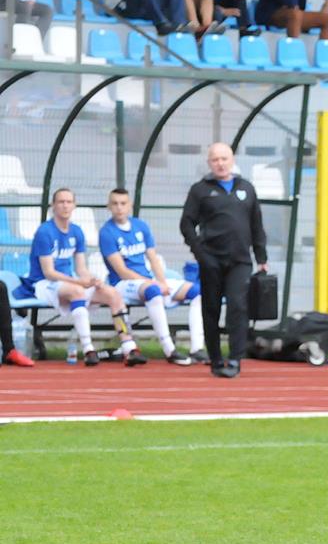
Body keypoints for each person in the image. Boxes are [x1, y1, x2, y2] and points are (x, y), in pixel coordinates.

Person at [24, 187, 147, 365]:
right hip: (43, 284)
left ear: (74, 205)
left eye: (69, 202)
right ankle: (89, 349)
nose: (65, 206)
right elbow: (48, 272)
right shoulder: (45, 232)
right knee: (77, 291)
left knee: (112, 293)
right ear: (53, 206)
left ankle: (129, 346)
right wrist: (78, 282)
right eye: (61, 202)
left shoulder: (76, 231)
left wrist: (92, 280)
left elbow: (81, 268)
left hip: (68, 282)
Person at [179, 143, 268, 379]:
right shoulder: (200, 190)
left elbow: (256, 223)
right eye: (215, 159)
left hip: (240, 260)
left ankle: (235, 359)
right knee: (211, 309)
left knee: (238, 306)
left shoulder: (246, 188)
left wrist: (261, 256)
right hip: (211, 260)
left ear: (232, 160)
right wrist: (199, 252)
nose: (220, 163)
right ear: (209, 162)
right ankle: (216, 358)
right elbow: (186, 223)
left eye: (224, 158)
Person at [99, 187, 200, 365]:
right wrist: (155, 284)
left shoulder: (141, 226)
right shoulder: (107, 232)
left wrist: (162, 281)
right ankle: (169, 350)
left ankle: (197, 348)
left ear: (130, 205)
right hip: (123, 283)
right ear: (109, 206)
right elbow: (122, 271)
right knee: (153, 290)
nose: (119, 207)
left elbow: (153, 258)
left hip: (147, 281)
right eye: (115, 204)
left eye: (123, 203)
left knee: (196, 291)